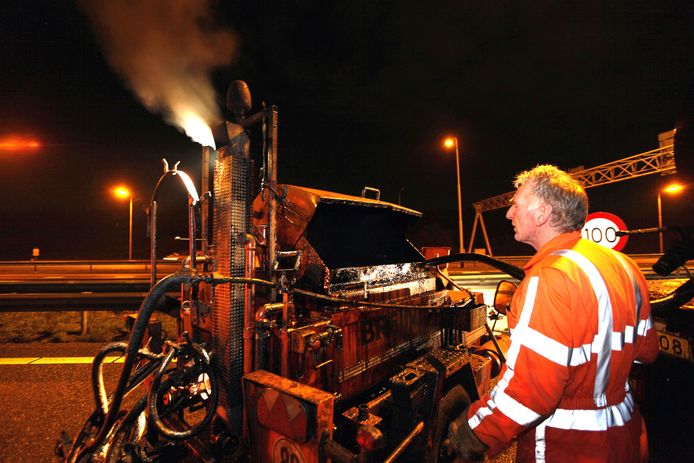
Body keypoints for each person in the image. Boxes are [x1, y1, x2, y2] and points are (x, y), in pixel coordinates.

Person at [447, 165, 659, 462]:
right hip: (625, 435)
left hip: (570, 446)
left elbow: (531, 391)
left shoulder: (550, 278)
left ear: (542, 213)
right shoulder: (624, 265)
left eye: (516, 205)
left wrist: (476, 430)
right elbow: (645, 353)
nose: (509, 214)